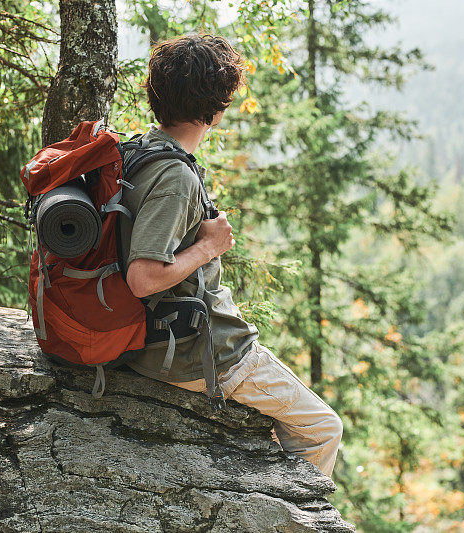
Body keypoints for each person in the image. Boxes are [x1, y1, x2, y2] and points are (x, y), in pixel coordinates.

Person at [117, 33, 343, 478]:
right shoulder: (176, 177)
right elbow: (141, 278)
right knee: (322, 427)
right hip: (199, 351)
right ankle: (293, 515)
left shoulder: (137, 150)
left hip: (152, 339)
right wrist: (209, 247)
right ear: (214, 111)